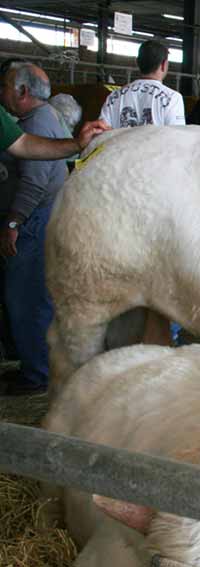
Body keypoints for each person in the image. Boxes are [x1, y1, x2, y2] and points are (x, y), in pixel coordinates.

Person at [0, 64, 70, 395]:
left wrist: (14, 221)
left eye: (5, 88)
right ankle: (36, 365)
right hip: (42, 218)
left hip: (33, 221)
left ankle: (38, 374)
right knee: (33, 298)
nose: (2, 94)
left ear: (23, 93)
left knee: (26, 299)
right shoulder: (43, 119)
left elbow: (33, 182)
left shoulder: (36, 123)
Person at [99, 40, 185, 128]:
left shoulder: (114, 96)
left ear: (137, 62)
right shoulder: (173, 98)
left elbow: (102, 132)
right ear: (163, 64)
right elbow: (176, 138)